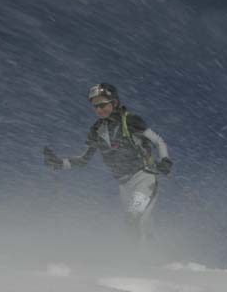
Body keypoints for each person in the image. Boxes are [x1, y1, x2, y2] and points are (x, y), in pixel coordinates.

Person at [42, 83, 173, 243]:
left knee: (133, 219)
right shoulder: (97, 130)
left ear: (114, 102)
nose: (99, 110)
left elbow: (158, 141)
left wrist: (165, 161)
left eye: (102, 105)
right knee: (140, 223)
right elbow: (83, 160)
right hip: (124, 185)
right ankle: (156, 253)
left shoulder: (130, 120)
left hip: (144, 178)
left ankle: (138, 256)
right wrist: (59, 163)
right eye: (95, 106)